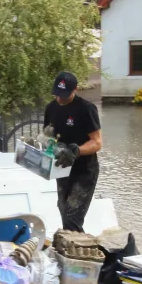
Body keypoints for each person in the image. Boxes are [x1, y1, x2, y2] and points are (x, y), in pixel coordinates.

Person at [44, 72, 102, 232]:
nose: (60, 98)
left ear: (75, 89)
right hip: (61, 168)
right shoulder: (51, 108)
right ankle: (73, 247)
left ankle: (78, 251)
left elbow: (97, 142)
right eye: (57, 94)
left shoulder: (86, 109)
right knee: (64, 211)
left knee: (72, 216)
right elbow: (49, 137)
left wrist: (76, 151)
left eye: (64, 95)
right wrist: (48, 145)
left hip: (84, 171)